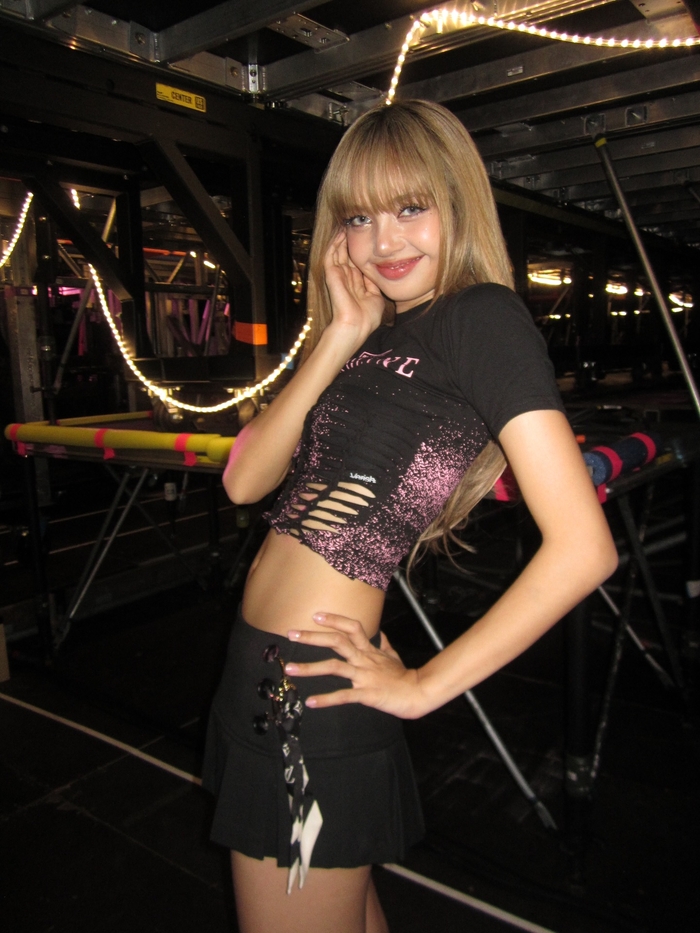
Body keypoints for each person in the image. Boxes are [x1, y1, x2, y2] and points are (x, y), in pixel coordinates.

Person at [202, 100, 617, 933]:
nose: (383, 240)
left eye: (410, 207)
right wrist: (341, 332)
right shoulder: (372, 334)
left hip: (307, 694)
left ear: (457, 202)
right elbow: (244, 481)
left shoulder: (482, 316)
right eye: (359, 217)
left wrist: (425, 685)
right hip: (260, 671)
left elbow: (584, 548)